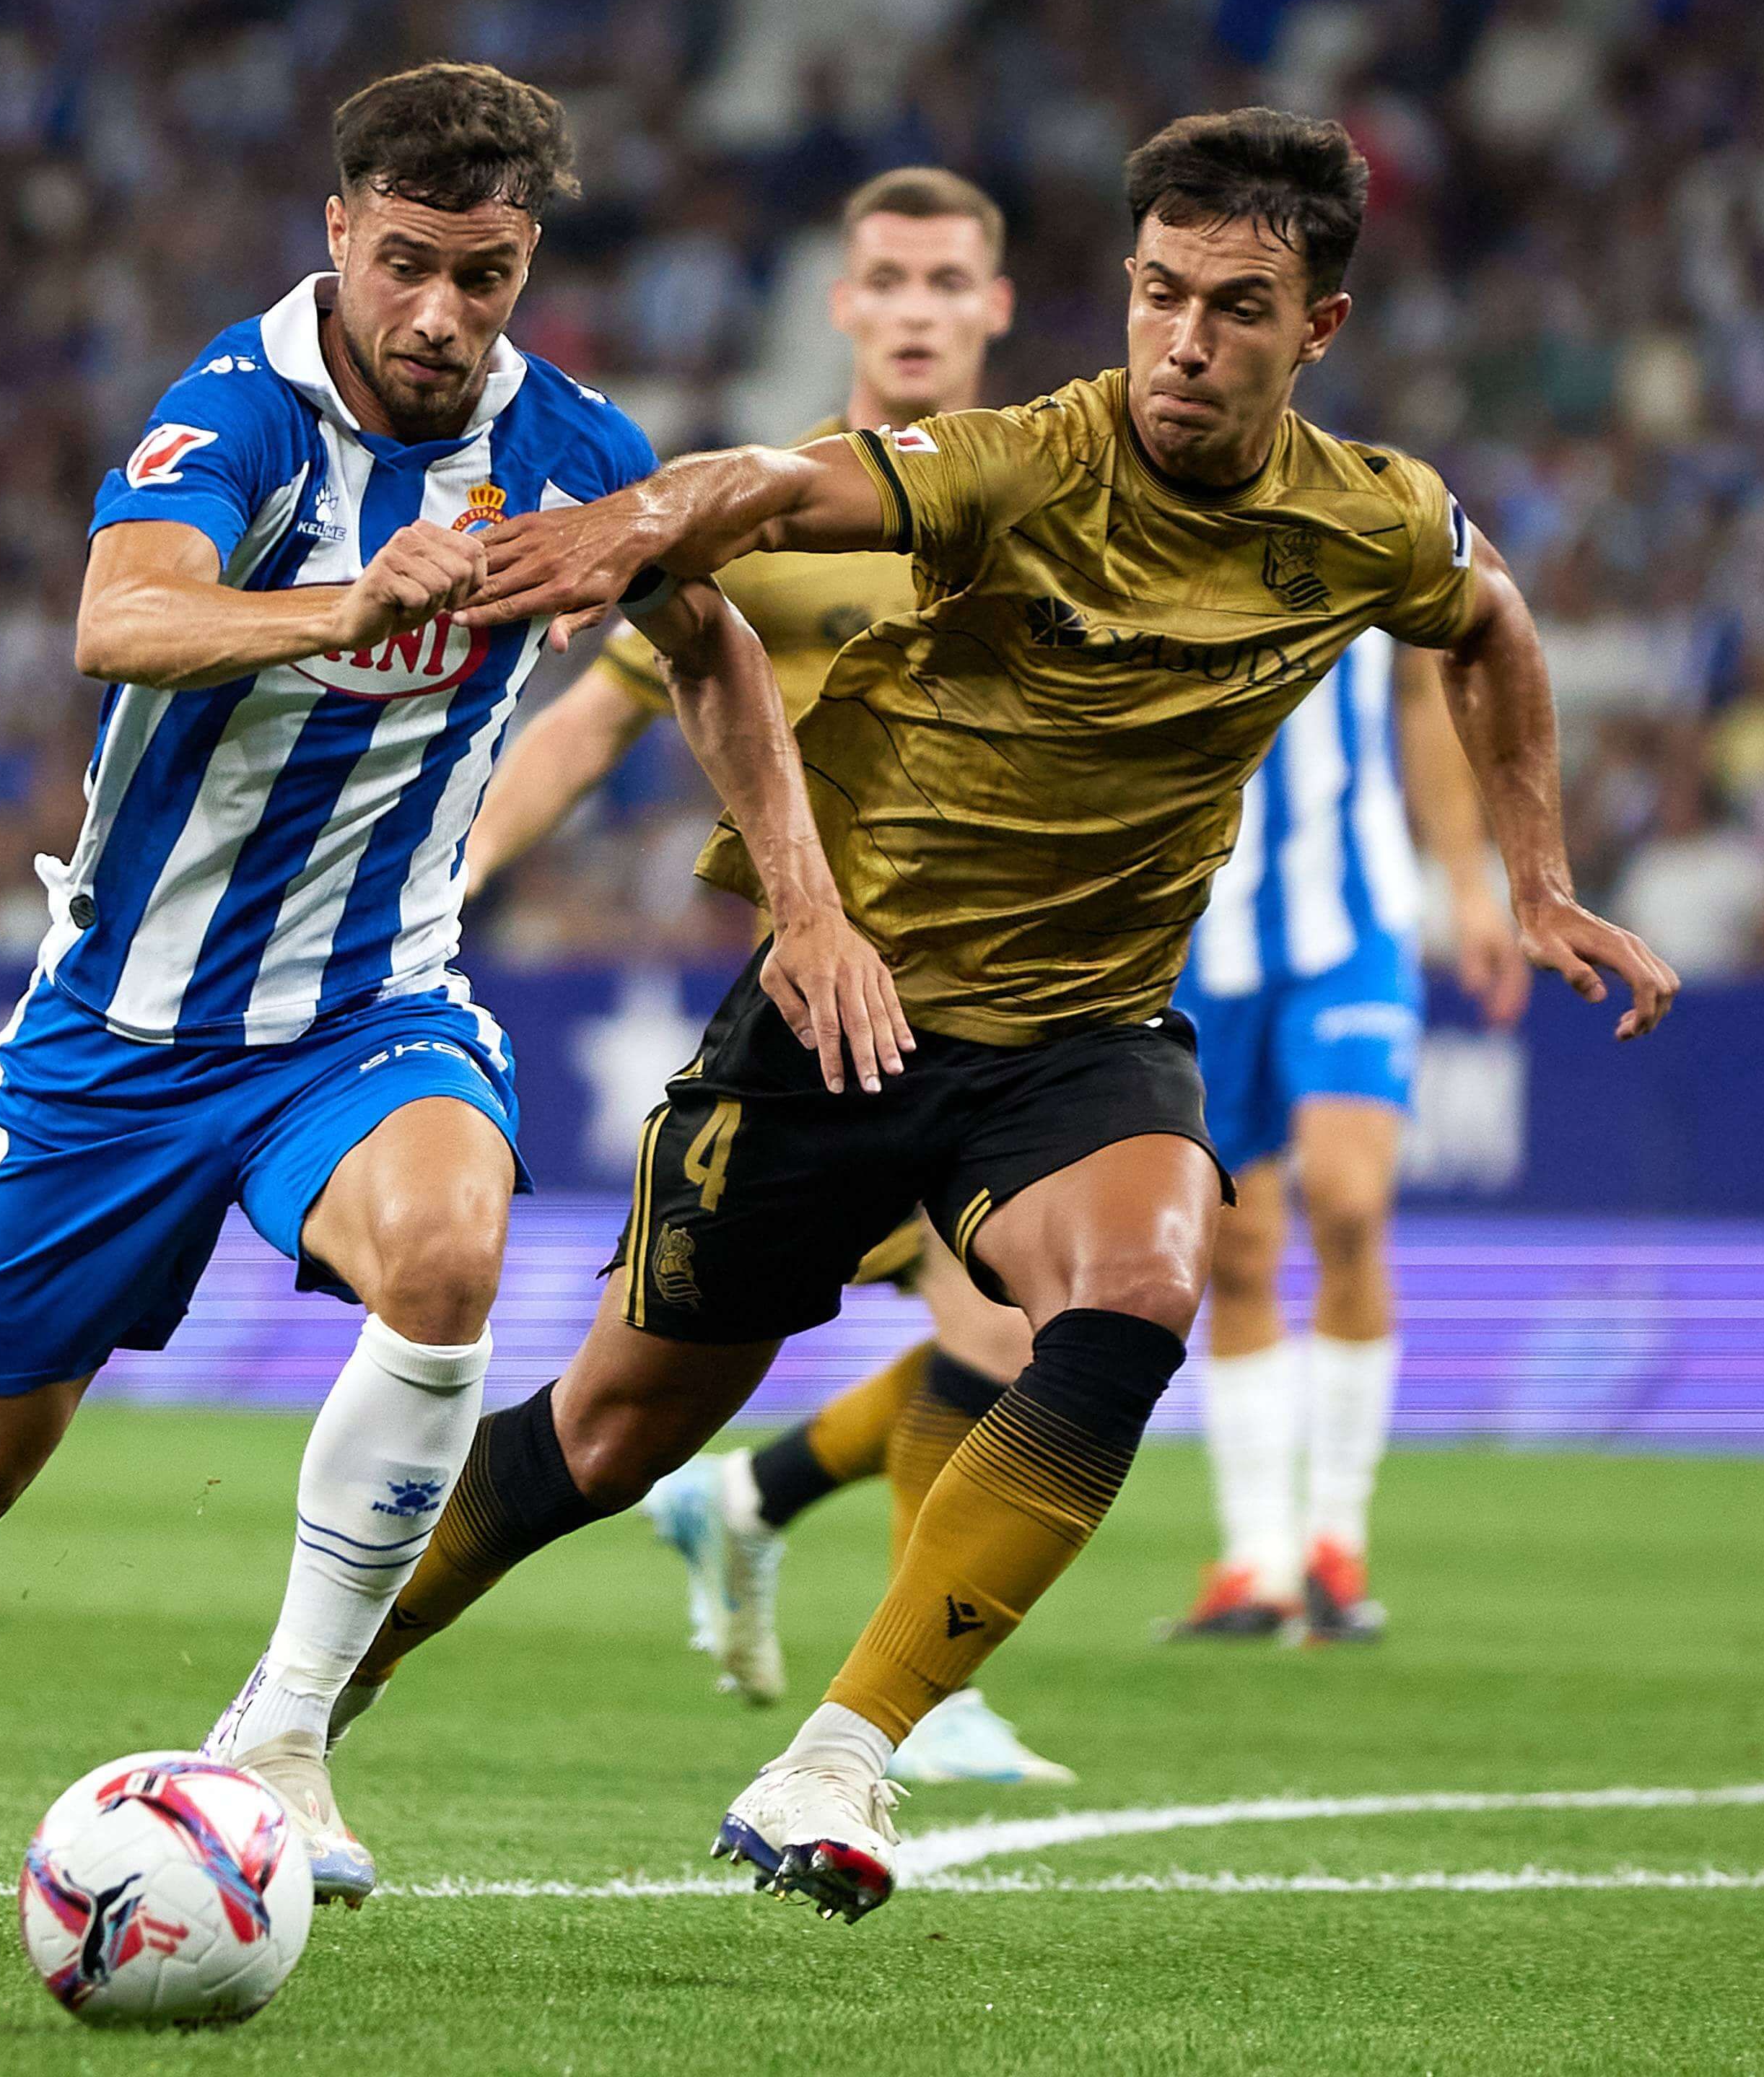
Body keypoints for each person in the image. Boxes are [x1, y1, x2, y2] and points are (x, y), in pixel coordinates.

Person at [323, 107, 1678, 1923]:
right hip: (842, 1011)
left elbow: (1492, 623)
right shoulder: (1024, 460)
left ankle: (845, 1750)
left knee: (1138, 1290)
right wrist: (637, 521)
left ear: (1319, 329)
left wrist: (1531, 873)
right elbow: (788, 489)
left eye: (1237, 306)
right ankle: (299, 1705)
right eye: (1159, 295)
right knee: (610, 1434)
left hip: (1085, 1037)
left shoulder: (1364, 520)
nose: (1186, 342)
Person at [0, 63, 898, 1954]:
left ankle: (288, 1733)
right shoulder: (238, 412)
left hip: (368, 1008)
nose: (443, 316)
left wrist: (804, 903)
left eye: (485, 275)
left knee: (452, 1245)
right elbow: (117, 618)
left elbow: (703, 643)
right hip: (120, 1035)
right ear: (335, 235)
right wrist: (340, 607)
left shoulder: (565, 447)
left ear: (525, 259)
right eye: (407, 267)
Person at [467, 165, 1065, 1785]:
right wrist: (443, 885)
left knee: (1017, 1324)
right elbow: (591, 724)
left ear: (996, 307)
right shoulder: (774, 503)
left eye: (953, 279)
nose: (923, 306)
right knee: (639, 1401)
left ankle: (829, 1602)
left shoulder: (1045, 497)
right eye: (893, 277)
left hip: (1008, 1010)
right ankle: (762, 1539)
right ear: (845, 303)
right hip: (818, 1025)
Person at [1165, 631, 1529, 1645]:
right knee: (1233, 1249)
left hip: (1356, 922)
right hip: (1198, 935)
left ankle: (1335, 1539)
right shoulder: (1140, 518)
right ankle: (1258, 1561)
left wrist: (1466, 881)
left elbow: (1428, 693)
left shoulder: (1369, 513)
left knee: (1348, 1200)